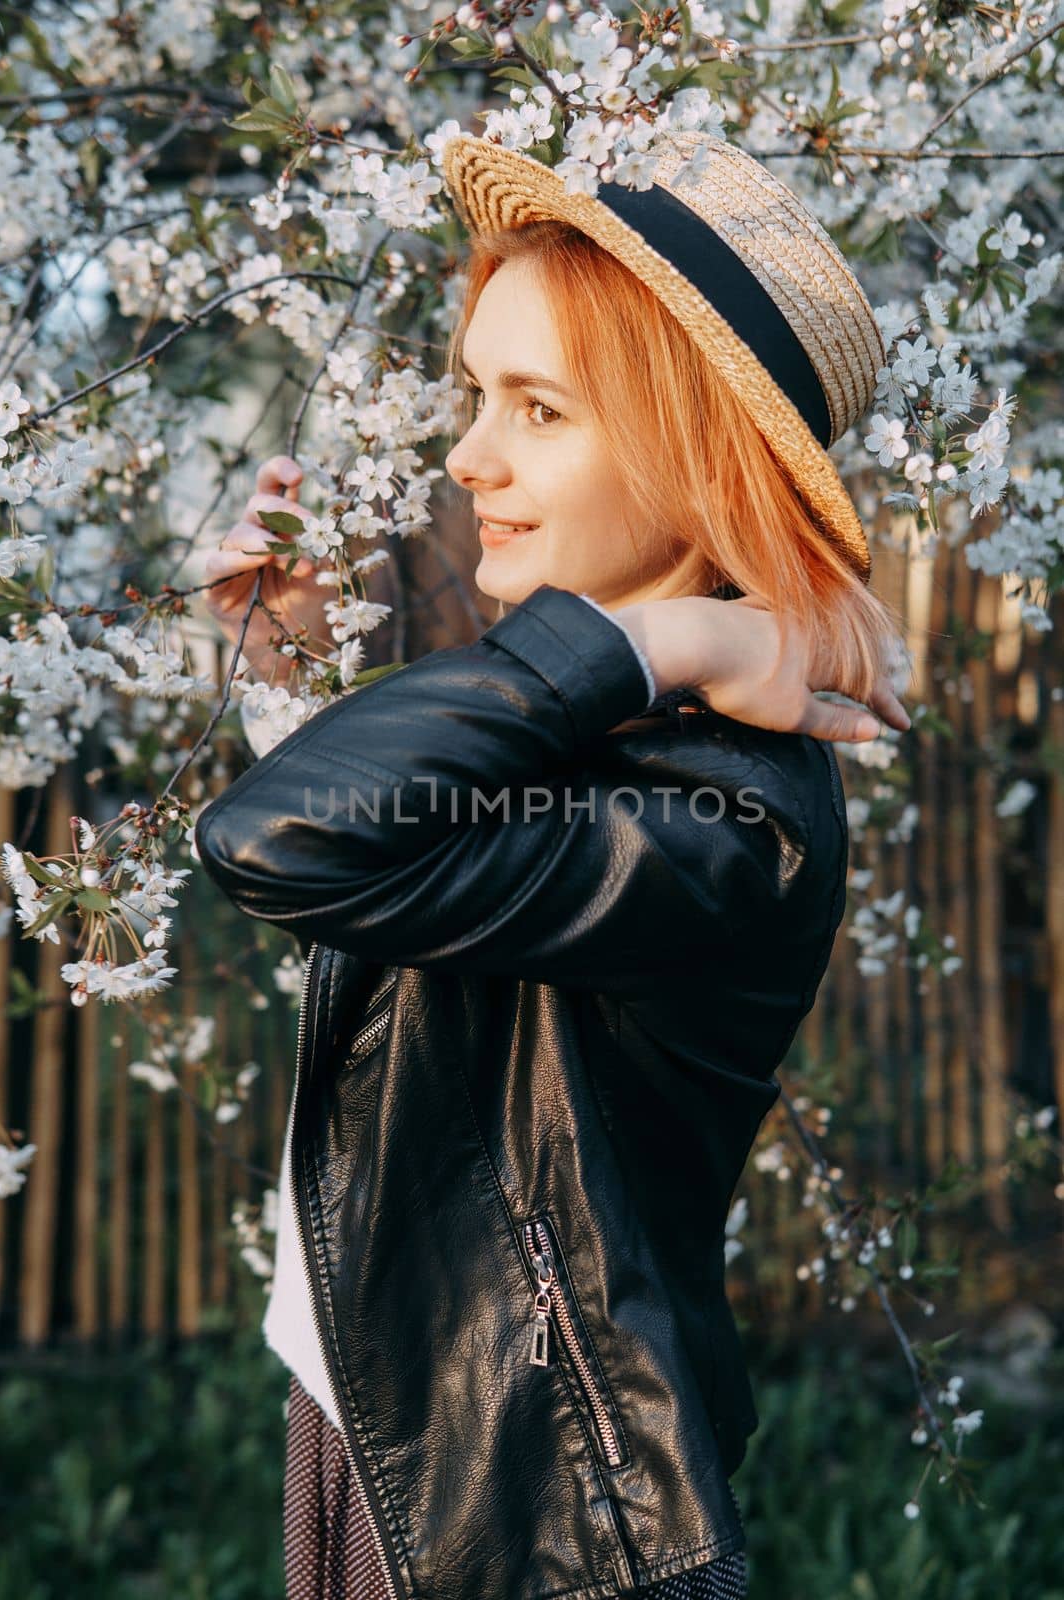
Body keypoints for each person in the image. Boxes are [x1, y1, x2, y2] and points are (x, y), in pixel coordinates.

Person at [195, 130, 911, 1600]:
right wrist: (299, 677)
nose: (471, 456)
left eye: (538, 408)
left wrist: (663, 633)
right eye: (477, 393)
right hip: (400, 1417)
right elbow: (409, 892)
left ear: (697, 462)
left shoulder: (728, 816)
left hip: (538, 1516)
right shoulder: (622, 730)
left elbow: (282, 840)